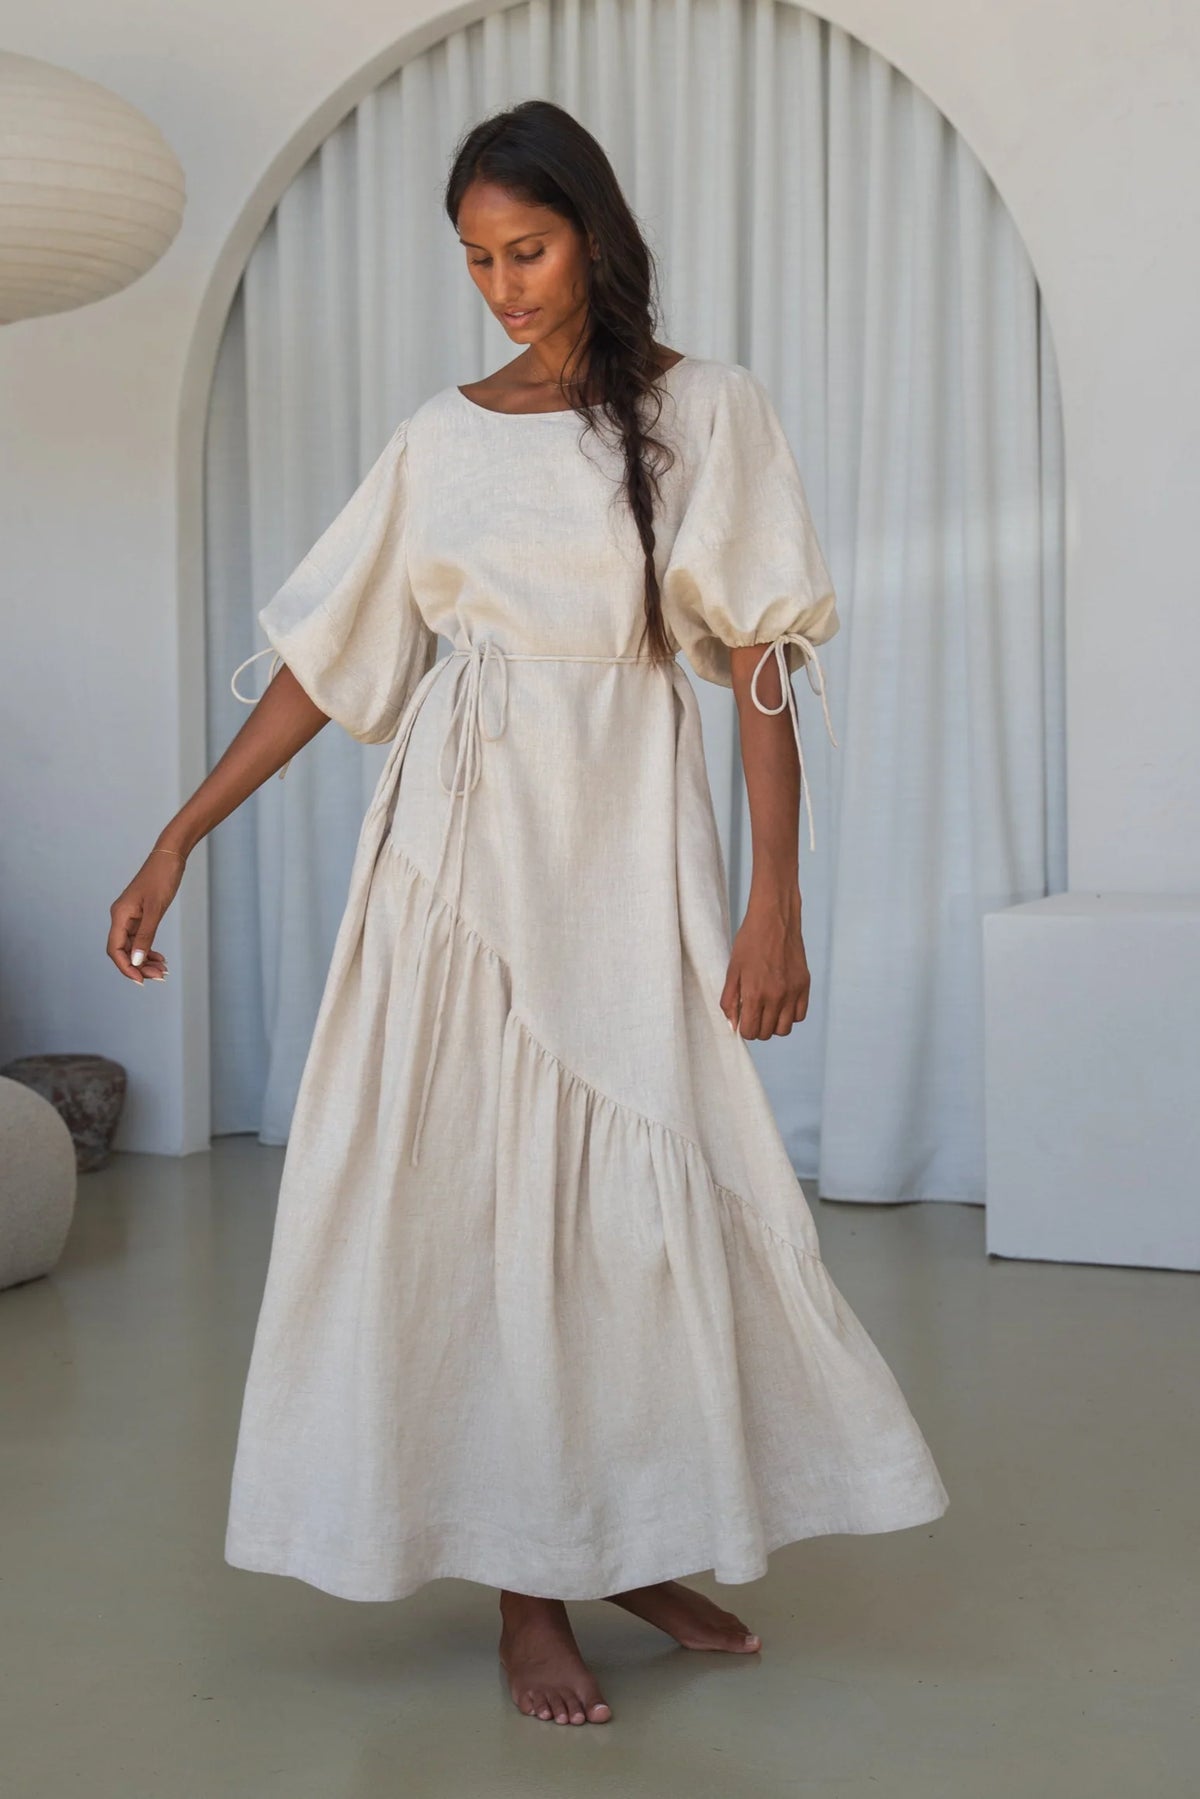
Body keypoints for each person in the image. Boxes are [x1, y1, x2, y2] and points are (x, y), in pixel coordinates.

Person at [108, 98, 948, 1727]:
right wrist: (180, 833)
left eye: (530, 249)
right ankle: (529, 1585)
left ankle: (627, 1537)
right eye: (478, 259)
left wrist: (775, 900)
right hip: (454, 865)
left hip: (622, 846)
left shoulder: (709, 411)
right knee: (482, 1198)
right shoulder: (442, 436)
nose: (504, 286)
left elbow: (763, 665)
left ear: (595, 236)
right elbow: (329, 662)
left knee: (642, 1200)